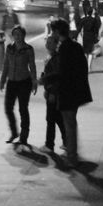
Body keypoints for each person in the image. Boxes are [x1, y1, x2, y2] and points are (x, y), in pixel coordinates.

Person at [52, 18, 92, 169]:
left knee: (69, 125)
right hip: (76, 91)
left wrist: (45, 79)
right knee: (71, 124)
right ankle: (72, 154)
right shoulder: (75, 46)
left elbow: (61, 72)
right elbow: (83, 69)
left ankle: (72, 157)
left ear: (57, 32)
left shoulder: (64, 48)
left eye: (53, 31)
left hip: (67, 92)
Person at [0, 25, 38, 147]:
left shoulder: (28, 49)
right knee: (8, 108)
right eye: (15, 34)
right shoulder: (9, 48)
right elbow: (6, 64)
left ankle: (24, 136)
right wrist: (2, 79)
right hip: (11, 82)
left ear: (23, 35)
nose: (17, 36)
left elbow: (32, 66)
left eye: (19, 34)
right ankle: (14, 132)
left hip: (24, 82)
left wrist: (34, 81)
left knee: (23, 109)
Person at [38, 34, 67, 154]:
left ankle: (49, 145)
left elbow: (56, 76)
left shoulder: (56, 58)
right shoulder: (52, 57)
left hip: (54, 93)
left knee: (51, 119)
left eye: (50, 43)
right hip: (52, 91)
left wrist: (52, 92)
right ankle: (66, 142)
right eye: (47, 42)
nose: (47, 45)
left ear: (56, 44)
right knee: (58, 119)